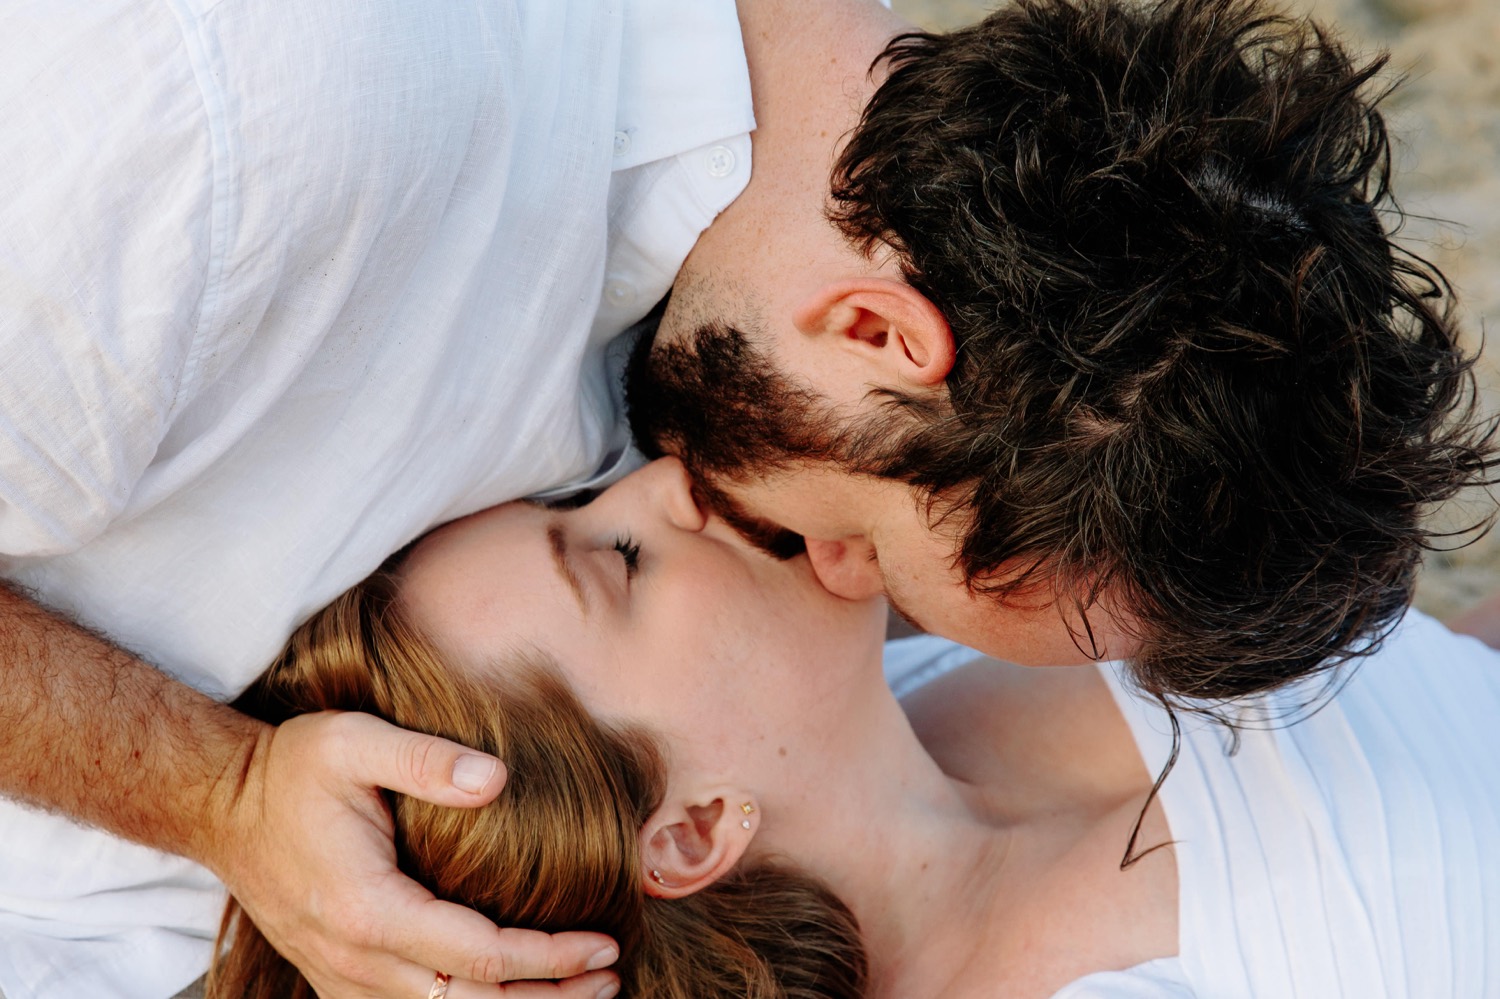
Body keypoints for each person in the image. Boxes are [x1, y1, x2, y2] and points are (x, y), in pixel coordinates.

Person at [3, 1, 1495, 996]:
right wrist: (219, 795)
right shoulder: (226, 142)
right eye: (871, 551)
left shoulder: (842, 248)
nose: (668, 485)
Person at [209, 456, 1500, 997]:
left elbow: (1436, 691)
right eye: (618, 562)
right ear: (694, 829)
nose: (667, 480)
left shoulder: (951, 659)